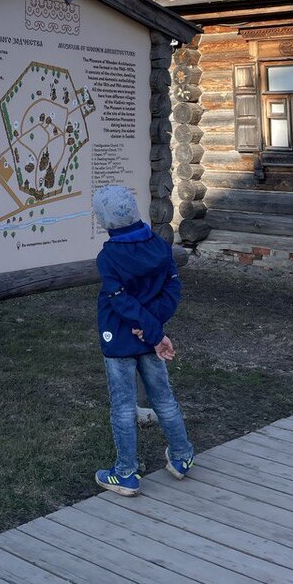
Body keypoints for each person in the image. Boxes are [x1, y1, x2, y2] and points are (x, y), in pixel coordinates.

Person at [92, 184, 194, 496]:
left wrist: (146, 329)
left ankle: (125, 473)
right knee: (163, 397)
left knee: (123, 406)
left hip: (119, 338)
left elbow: (120, 300)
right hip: (151, 338)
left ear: (106, 221)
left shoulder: (108, 257)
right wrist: (153, 330)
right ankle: (181, 455)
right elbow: (171, 291)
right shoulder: (160, 247)